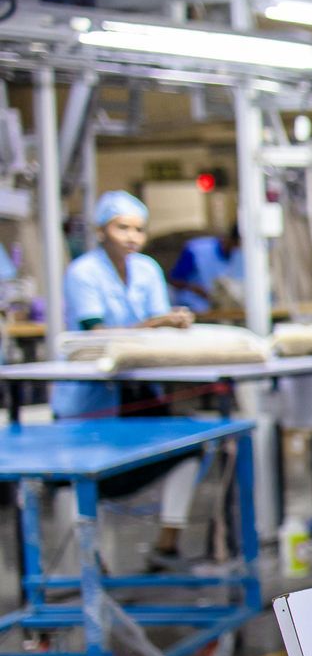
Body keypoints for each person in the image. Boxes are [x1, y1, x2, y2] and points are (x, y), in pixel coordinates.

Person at [56, 191, 201, 568]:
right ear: (101, 229)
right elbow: (97, 332)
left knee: (190, 447)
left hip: (140, 394)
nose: (132, 237)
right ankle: (90, 564)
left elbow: (158, 328)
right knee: (78, 479)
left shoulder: (148, 269)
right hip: (92, 400)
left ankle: (167, 542)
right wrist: (158, 322)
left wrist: (172, 324)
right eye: (123, 228)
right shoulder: (83, 273)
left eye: (139, 229)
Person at [167, 226, 243, 313]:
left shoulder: (242, 255)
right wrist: (196, 289)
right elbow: (174, 280)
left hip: (229, 302)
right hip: (198, 301)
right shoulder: (196, 250)